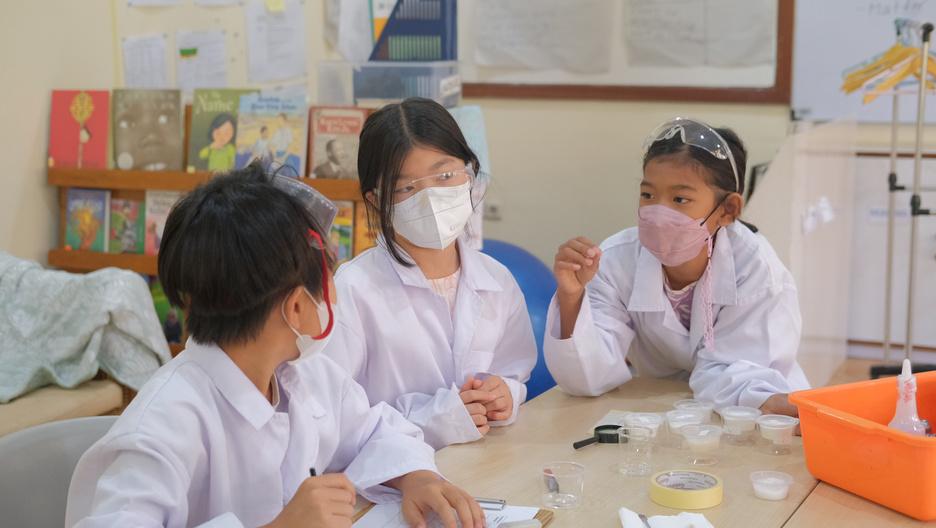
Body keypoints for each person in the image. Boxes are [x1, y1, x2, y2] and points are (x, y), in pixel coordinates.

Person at [65, 164, 485, 528]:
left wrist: (415, 477)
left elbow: (374, 430)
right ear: (298, 307)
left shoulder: (305, 374)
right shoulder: (163, 426)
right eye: (328, 279)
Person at [545, 117, 809, 416]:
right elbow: (586, 378)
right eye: (648, 195)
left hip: (754, 410)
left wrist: (772, 406)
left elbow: (740, 374)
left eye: (680, 199)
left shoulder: (755, 269)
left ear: (728, 210)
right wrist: (571, 296)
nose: (658, 213)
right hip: (660, 409)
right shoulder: (616, 260)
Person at [323, 98, 536, 449]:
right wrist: (435, 420)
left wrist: (506, 394)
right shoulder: (352, 290)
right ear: (376, 200)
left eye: (445, 176)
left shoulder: (497, 280)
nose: (430, 197)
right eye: (406, 188)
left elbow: (515, 371)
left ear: (470, 173)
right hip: (392, 473)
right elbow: (333, 416)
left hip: (488, 461)